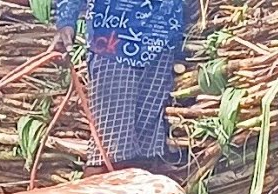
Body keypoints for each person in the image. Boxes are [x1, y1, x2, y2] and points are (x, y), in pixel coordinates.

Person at [52, 0, 195, 175]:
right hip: (113, 41)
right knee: (110, 150)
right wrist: (67, 20)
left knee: (146, 151)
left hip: (162, 39)